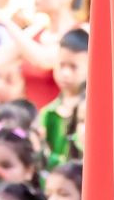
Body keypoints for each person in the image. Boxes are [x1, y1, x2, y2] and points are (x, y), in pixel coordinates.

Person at [0, 0, 87, 110]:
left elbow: (44, 60)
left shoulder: (83, 32)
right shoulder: (35, 31)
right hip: (33, 125)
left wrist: (6, 21)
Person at [36, 28, 88, 164]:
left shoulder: (90, 111)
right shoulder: (48, 112)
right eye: (61, 65)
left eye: (73, 67)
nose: (65, 73)